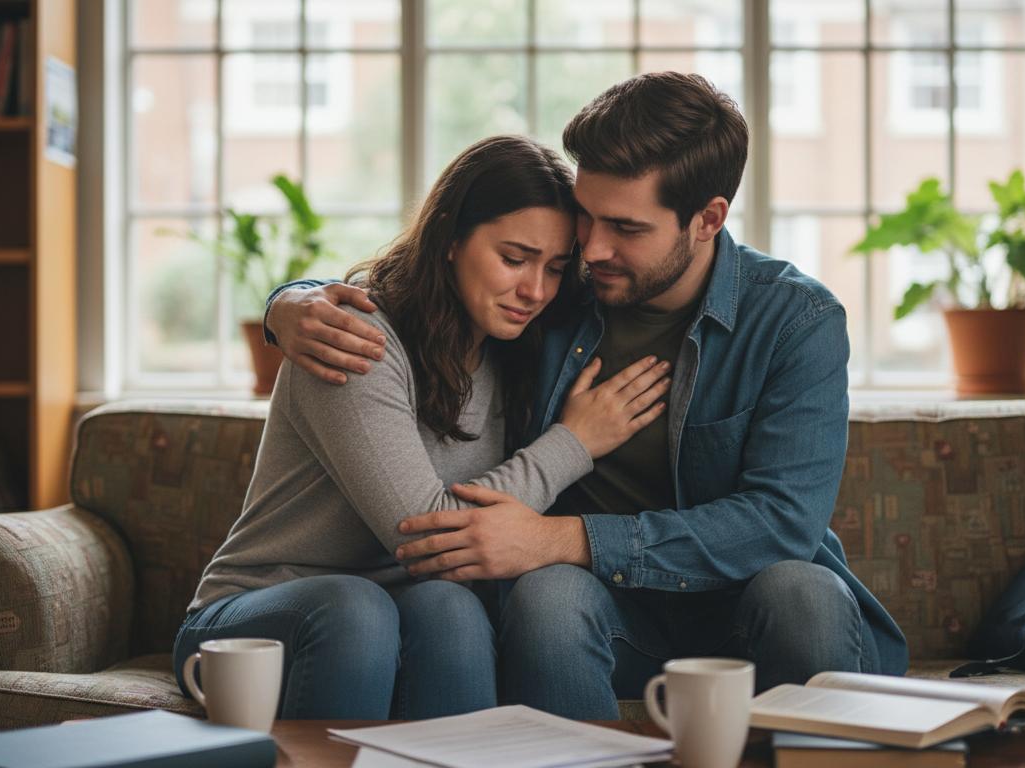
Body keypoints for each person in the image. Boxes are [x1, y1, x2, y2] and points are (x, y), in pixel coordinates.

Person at [264, 72, 910, 719]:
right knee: (547, 597)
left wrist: (565, 539)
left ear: (708, 218)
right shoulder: (560, 292)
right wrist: (291, 302)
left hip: (746, 604)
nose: (591, 250)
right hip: (605, 611)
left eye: (625, 227)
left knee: (803, 591)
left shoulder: (795, 321)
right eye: (587, 217)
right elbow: (438, 277)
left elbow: (783, 523)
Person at [174, 135, 673, 720]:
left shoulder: (518, 346)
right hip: (253, 625)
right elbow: (427, 540)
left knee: (451, 608)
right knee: (358, 606)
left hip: (406, 610)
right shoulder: (355, 339)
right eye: (514, 259)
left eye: (556, 268)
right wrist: (574, 443)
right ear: (450, 240)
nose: (535, 290)